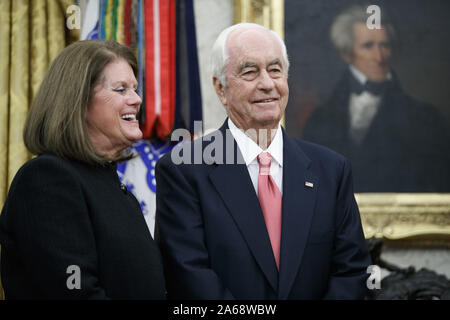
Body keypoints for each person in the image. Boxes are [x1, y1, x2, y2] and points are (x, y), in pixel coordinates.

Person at [155, 23, 371, 300]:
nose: (267, 84)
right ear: (220, 88)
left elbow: (351, 273)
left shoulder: (331, 170)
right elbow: (189, 277)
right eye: (249, 72)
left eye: (275, 70)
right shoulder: (183, 171)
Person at [0, 40, 166, 299]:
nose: (136, 99)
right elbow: (74, 289)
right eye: (120, 89)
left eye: (134, 89)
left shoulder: (115, 188)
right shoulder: (47, 179)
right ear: (79, 101)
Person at [303, 4, 450, 192]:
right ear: (346, 53)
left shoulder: (426, 119)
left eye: (385, 45)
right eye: (368, 46)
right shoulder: (319, 120)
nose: (379, 57)